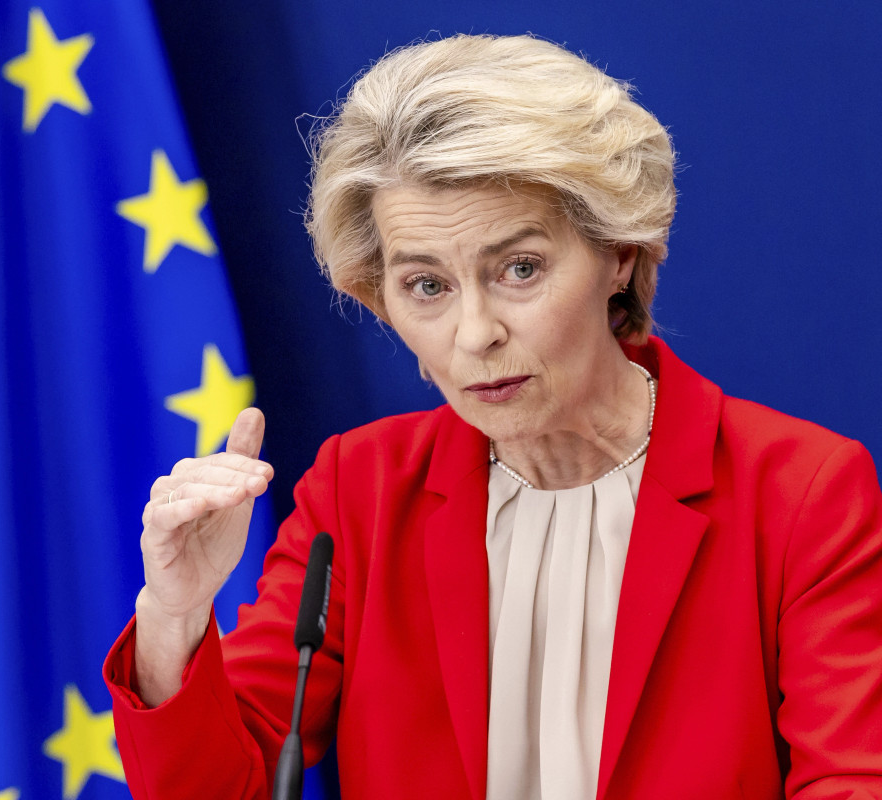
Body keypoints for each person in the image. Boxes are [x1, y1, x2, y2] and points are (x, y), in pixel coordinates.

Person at [103, 34, 882, 799]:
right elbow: (221, 787)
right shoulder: (359, 490)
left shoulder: (800, 492)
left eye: (519, 268)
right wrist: (176, 614)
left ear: (619, 253)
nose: (475, 334)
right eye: (427, 286)